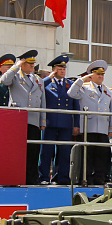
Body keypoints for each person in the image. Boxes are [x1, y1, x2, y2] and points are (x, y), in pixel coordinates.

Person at [1, 49, 47, 185]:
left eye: (33, 64)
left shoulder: (38, 80)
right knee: (17, 152)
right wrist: (16, 66)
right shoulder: (15, 76)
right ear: (22, 63)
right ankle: (15, 178)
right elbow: (4, 80)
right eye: (29, 63)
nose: (33, 66)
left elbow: (42, 101)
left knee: (33, 151)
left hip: (33, 120)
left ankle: (32, 178)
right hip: (17, 120)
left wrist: (42, 120)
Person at [68, 60, 112, 186]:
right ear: (91, 75)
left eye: (102, 74)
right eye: (98, 74)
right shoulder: (84, 88)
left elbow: (110, 110)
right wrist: (82, 79)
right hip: (88, 127)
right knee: (87, 155)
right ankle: (87, 177)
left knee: (102, 155)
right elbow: (71, 93)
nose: (100, 77)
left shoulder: (107, 90)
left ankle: (99, 177)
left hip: (102, 127)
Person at [40, 54, 79, 186]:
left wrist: (76, 124)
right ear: (54, 69)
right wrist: (49, 76)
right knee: (46, 152)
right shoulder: (47, 82)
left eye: (63, 69)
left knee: (64, 153)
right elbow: (39, 87)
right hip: (49, 123)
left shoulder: (70, 84)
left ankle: (61, 177)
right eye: (59, 69)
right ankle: (44, 176)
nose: (62, 71)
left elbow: (76, 106)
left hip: (65, 123)